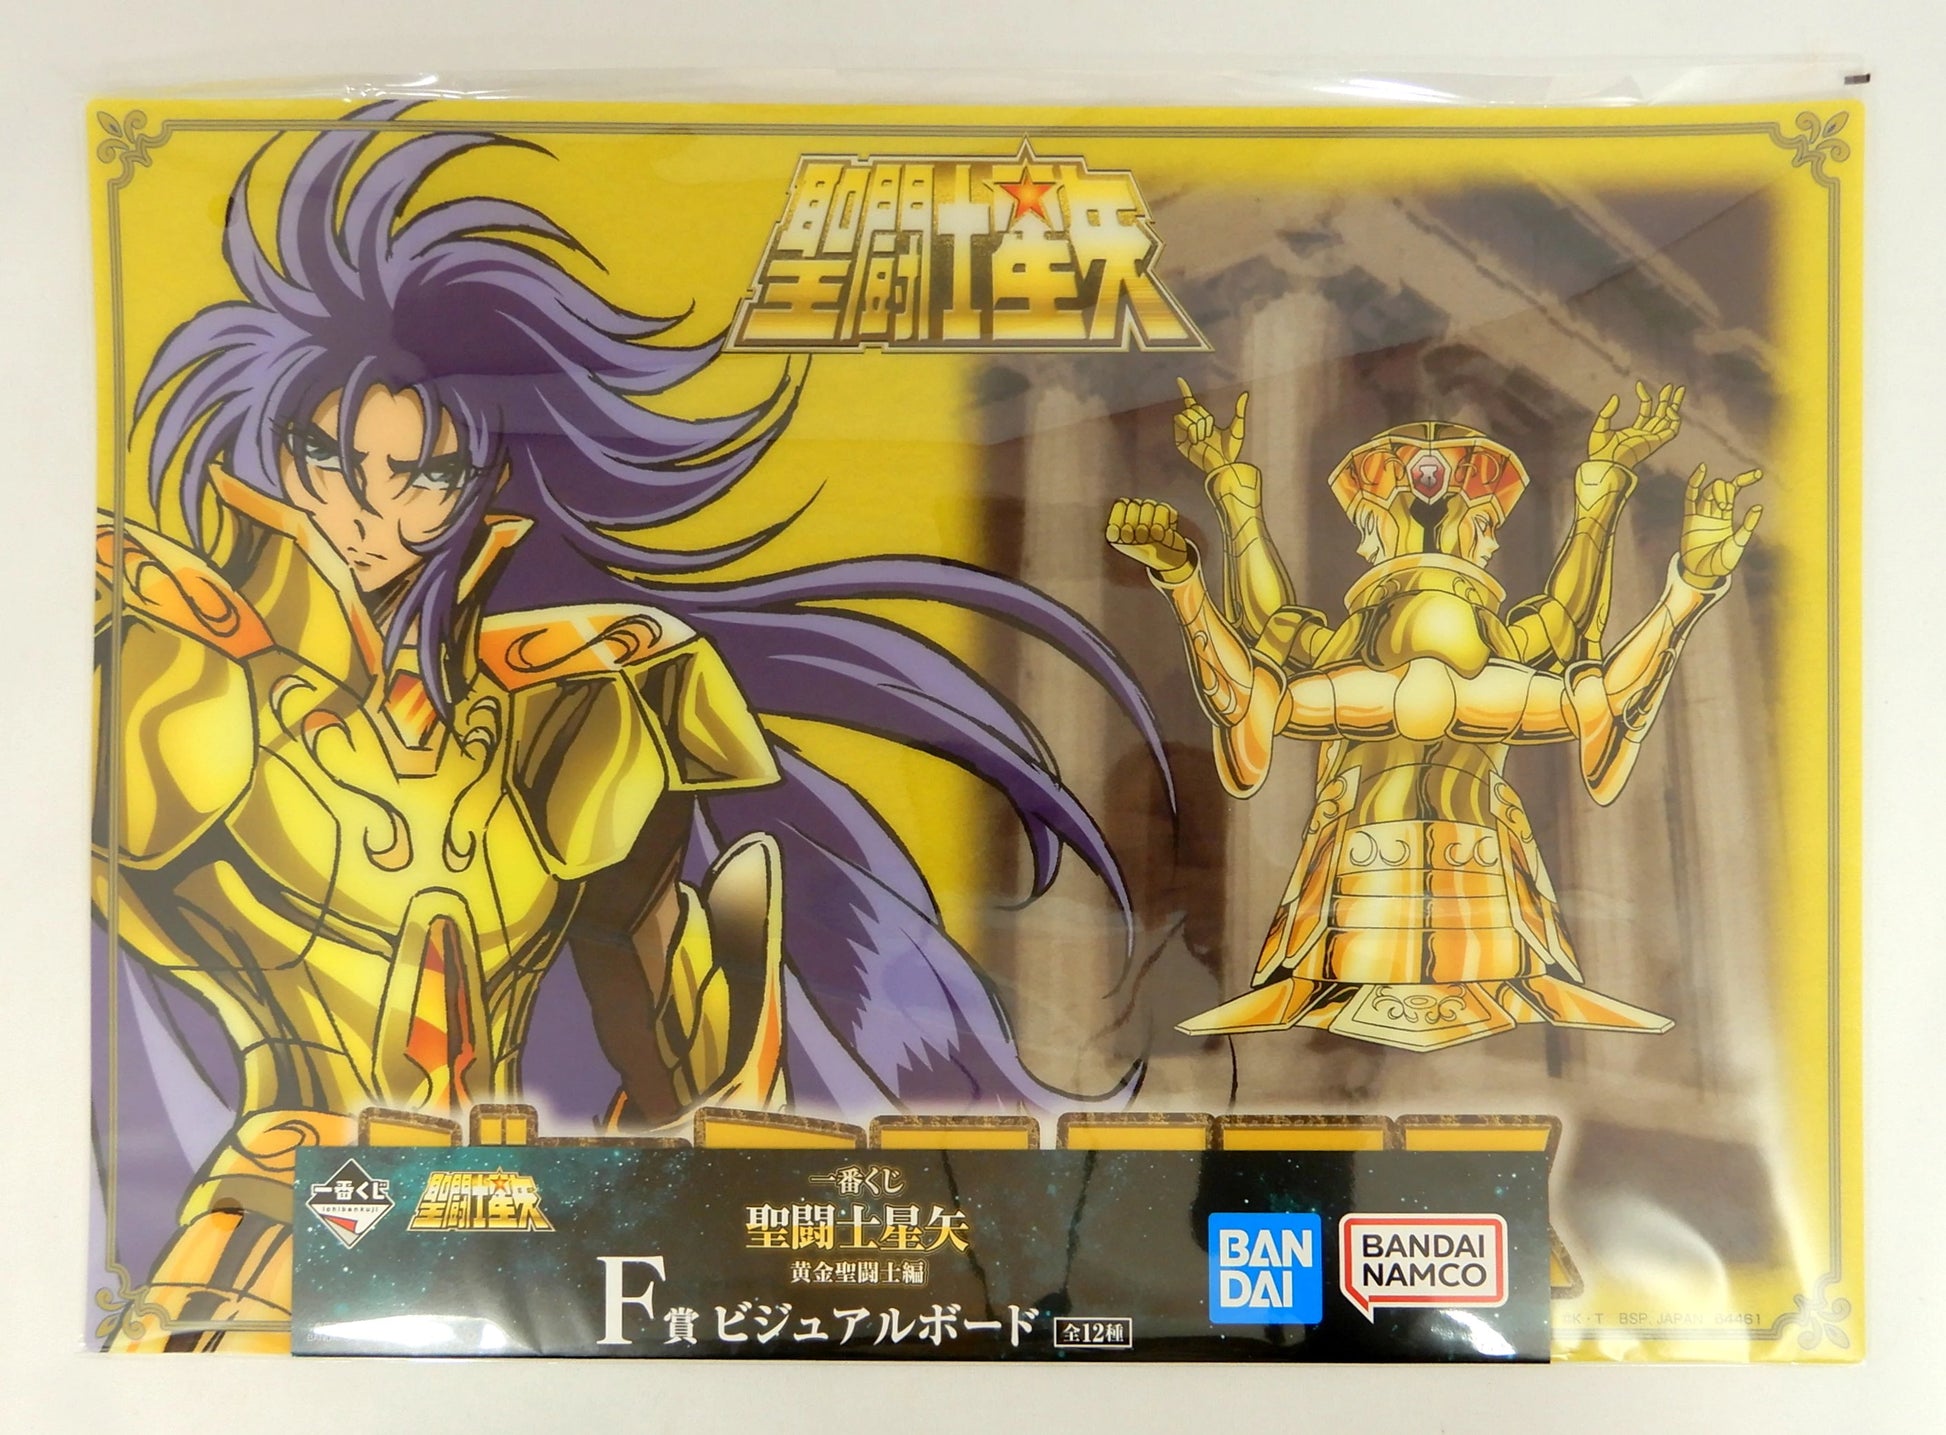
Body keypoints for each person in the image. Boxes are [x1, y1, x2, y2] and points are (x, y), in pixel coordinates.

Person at [95, 102, 1160, 1350]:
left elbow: (672, 1035)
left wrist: (718, 1177)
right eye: (331, 458)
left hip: (512, 1245)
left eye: (422, 473)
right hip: (289, 1227)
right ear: (273, 448)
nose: (369, 510)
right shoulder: (175, 656)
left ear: (477, 486)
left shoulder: (576, 695)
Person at [1107, 378, 1760, 1052]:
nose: (1445, 542)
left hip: (1469, 927)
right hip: (1371, 923)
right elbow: (1265, 654)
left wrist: (1665, 559)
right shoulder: (1402, 663)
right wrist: (1202, 547)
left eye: (1467, 528)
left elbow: (1261, 663)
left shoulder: (1397, 666)